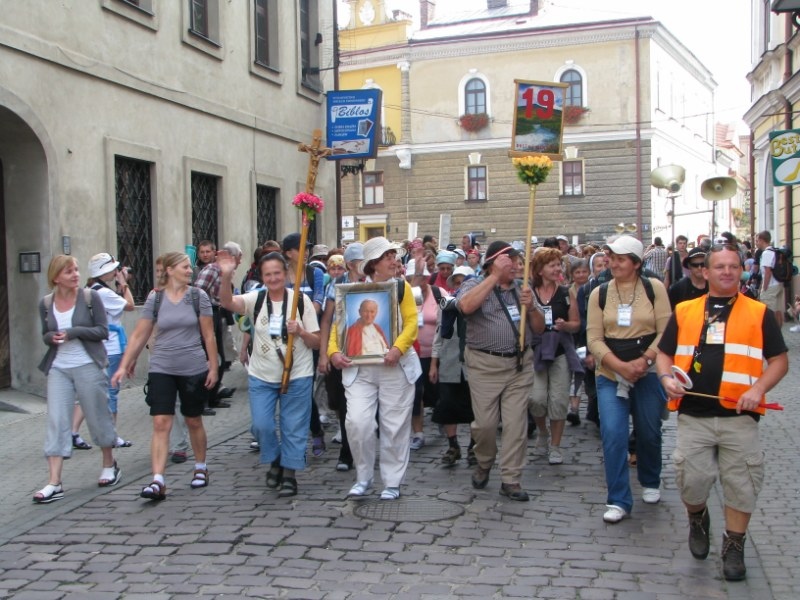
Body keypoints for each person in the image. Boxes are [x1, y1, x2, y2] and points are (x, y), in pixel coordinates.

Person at [656, 243, 788, 581]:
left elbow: (779, 361)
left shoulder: (758, 312)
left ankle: (734, 545)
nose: (727, 272)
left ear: (741, 271)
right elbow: (664, 354)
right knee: (691, 481)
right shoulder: (685, 310)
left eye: (733, 266)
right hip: (693, 414)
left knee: (742, 484)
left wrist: (757, 389)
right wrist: (666, 378)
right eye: (719, 266)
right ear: (705, 271)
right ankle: (698, 518)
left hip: (740, 416)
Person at [112, 251, 218, 501]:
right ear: (170, 270)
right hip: (161, 367)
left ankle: (200, 466)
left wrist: (213, 366)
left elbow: (209, 334)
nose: (190, 270)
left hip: (192, 367)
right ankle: (158, 479)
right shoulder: (155, 298)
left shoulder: (198, 296)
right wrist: (124, 364)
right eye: (185, 267)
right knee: (161, 422)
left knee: (193, 420)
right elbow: (139, 333)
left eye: (190, 267)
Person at [218, 250, 320, 497]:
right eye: (268, 274)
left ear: (286, 274)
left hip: (297, 373)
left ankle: (289, 474)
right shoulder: (257, 299)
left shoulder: (300, 301)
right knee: (261, 425)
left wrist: (301, 332)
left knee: (293, 426)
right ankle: (275, 459)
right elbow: (228, 303)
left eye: (277, 273)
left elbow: (316, 342)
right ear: (262, 277)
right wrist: (226, 276)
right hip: (262, 375)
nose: (273, 278)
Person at [328, 237, 421, 501]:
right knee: (357, 422)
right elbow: (338, 327)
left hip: (395, 366)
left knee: (394, 426)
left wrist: (398, 348)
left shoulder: (401, 288)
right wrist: (333, 352)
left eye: (394, 256)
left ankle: (392, 481)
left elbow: (411, 322)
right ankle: (363, 476)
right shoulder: (353, 291)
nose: (393, 260)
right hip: (360, 370)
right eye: (387, 257)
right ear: (373, 264)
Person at [586, 235, 671, 523]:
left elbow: (666, 331)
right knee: (613, 433)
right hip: (611, 373)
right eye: (611, 257)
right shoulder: (599, 293)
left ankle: (650, 478)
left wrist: (645, 360)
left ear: (636, 263)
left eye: (620, 259)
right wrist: (620, 366)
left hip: (648, 371)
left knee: (649, 430)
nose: (613, 263)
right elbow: (594, 339)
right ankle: (618, 499)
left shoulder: (654, 288)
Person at [457, 241, 545, 502]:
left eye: (517, 261)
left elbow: (540, 328)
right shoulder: (474, 284)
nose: (516, 266)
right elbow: (465, 306)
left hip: (519, 366)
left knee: (516, 425)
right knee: (485, 425)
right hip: (484, 366)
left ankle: (511, 479)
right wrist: (494, 277)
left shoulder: (523, 288)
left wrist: (533, 308)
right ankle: (484, 461)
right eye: (509, 261)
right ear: (492, 264)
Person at [34, 255, 120, 504]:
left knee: (97, 415)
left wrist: (73, 332)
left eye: (76, 270)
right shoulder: (46, 303)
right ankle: (54, 482)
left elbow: (102, 331)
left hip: (88, 364)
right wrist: (51, 338)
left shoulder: (90, 298)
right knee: (57, 420)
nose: (75, 275)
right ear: (56, 277)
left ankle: (109, 464)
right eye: (69, 271)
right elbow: (45, 334)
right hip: (59, 368)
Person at [70, 253, 136, 450]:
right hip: (111, 347)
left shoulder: (89, 289)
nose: (116, 271)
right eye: (113, 269)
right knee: (111, 392)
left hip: (95, 347)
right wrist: (124, 284)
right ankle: (111, 436)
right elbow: (130, 305)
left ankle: (72, 432)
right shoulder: (104, 293)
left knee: (88, 391)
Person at [529, 248, 582, 465]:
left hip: (560, 351)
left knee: (558, 400)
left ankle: (555, 446)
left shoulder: (566, 293)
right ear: (540, 269)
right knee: (536, 398)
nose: (557, 268)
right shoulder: (529, 292)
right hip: (536, 351)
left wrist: (565, 325)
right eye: (552, 265)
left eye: (559, 264)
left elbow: (576, 324)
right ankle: (542, 431)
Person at [318, 242, 364, 472]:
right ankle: (347, 449)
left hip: (366, 351)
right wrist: (324, 354)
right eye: (362, 261)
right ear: (351, 264)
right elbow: (327, 320)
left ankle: (351, 452)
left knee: (360, 406)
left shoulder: (372, 282)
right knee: (341, 403)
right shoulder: (337, 284)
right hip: (341, 349)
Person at [431, 266, 476, 466]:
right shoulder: (447, 305)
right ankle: (453, 445)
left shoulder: (479, 303)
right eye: (457, 283)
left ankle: (474, 446)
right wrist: (434, 363)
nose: (460, 287)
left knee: (475, 407)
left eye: (463, 283)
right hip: (449, 361)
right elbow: (439, 334)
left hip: (472, 363)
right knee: (448, 404)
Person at [193, 241, 242, 408]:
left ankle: (212, 397)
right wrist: (206, 308)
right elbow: (198, 291)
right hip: (209, 313)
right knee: (211, 355)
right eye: (239, 257)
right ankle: (204, 400)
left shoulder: (222, 271)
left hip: (216, 312)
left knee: (219, 355)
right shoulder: (213, 269)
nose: (240, 261)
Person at [566, 259, 591, 425]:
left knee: (587, 372)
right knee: (575, 370)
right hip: (572, 337)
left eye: (584, 272)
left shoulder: (592, 289)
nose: (581, 275)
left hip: (587, 336)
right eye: (577, 272)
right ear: (572, 275)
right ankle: (574, 408)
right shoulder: (568, 291)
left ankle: (591, 406)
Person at [755, 230, 785, 327]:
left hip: (770, 286)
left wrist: (764, 288)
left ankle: (772, 331)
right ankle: (778, 331)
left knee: (769, 312)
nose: (756, 243)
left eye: (757, 241)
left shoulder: (766, 253)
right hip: (778, 284)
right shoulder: (774, 251)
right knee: (778, 310)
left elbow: (767, 272)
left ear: (762, 240)